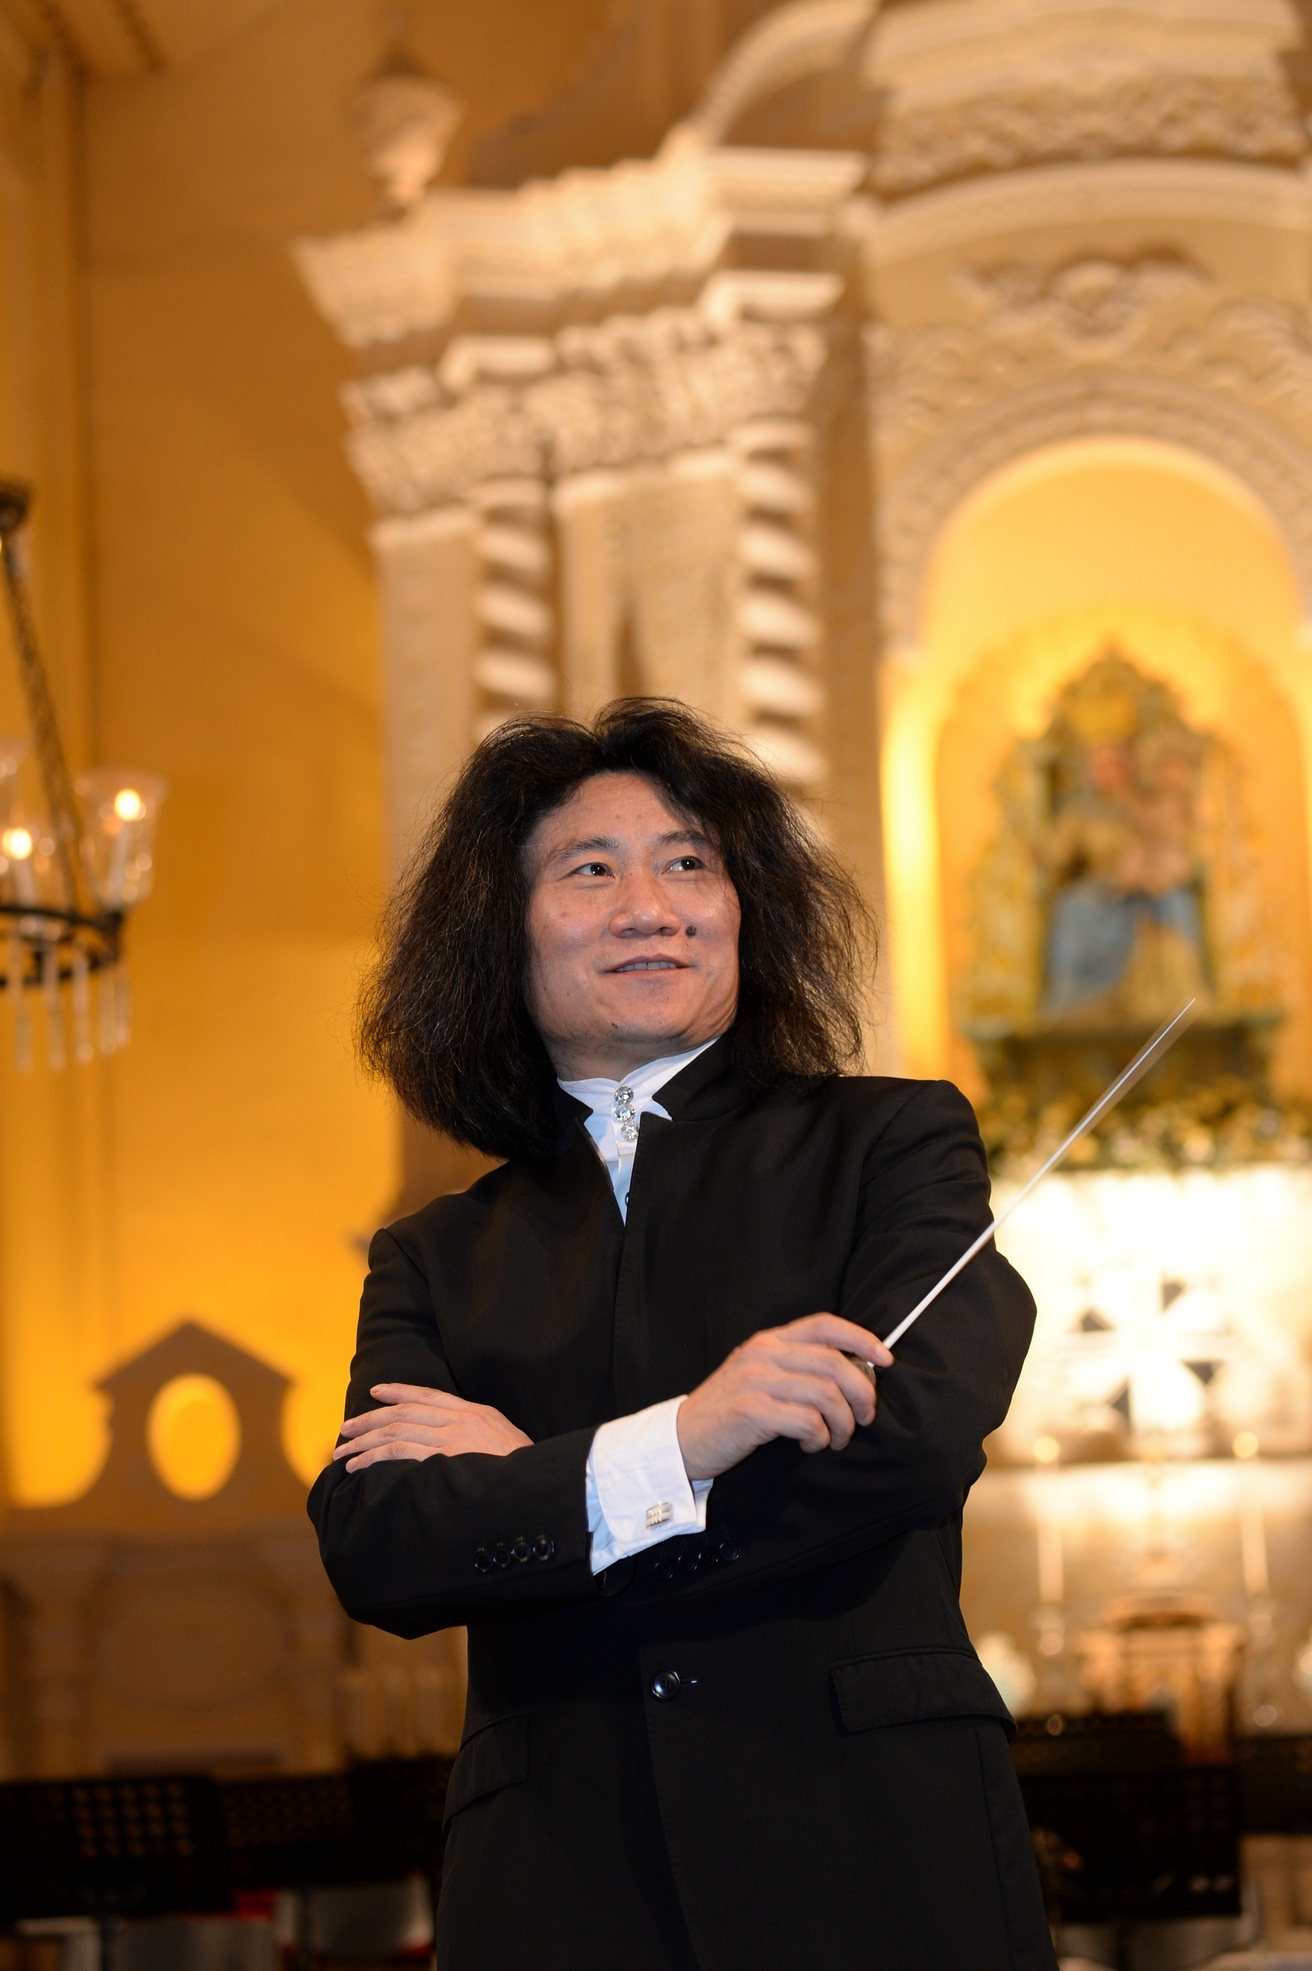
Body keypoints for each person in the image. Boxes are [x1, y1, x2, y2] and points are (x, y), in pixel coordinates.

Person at [309, 699, 1055, 1971]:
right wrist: (692, 1438)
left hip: (874, 1853)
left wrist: (544, 1482)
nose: (650, 907)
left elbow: (910, 1441)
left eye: (689, 863)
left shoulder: (893, 1143)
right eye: (590, 870)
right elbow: (382, 1548)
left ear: (744, 910)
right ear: (501, 930)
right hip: (560, 1885)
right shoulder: (434, 1252)